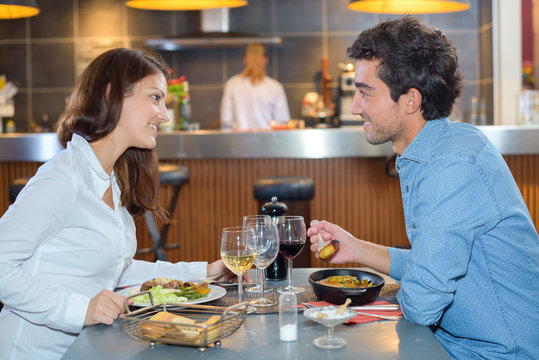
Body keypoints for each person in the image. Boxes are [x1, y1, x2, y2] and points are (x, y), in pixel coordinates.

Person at [308, 16, 539, 359]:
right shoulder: (439, 149)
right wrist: (357, 250)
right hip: (457, 343)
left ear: (411, 101)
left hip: (495, 353)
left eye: (365, 93)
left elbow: (422, 303)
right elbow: (436, 263)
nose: (356, 107)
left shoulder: (451, 166)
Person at [0, 48, 235, 359]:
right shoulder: (64, 177)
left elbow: (117, 270)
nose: (164, 115)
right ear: (113, 95)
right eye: (155, 98)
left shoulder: (113, 179)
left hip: (84, 349)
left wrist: (206, 272)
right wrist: (79, 309)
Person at [220, 42, 290, 130]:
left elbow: (226, 122)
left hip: (239, 141)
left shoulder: (232, 84)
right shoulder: (275, 87)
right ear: (265, 60)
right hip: (268, 141)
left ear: (245, 60)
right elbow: (282, 122)